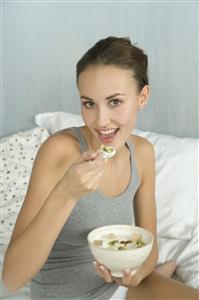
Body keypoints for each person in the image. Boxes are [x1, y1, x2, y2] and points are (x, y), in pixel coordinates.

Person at [2, 36, 198, 300]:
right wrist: (66, 193)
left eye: (115, 102)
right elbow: (12, 278)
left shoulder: (142, 153)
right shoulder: (60, 150)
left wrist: (136, 274)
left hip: (119, 287)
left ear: (142, 97)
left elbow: (148, 248)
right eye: (89, 104)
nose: (101, 120)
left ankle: (164, 272)